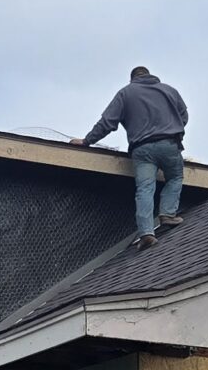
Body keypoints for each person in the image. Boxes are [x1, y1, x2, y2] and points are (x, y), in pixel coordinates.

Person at [74, 65, 188, 249]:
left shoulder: (126, 93)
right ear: (150, 75)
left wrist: (87, 141)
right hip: (169, 144)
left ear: (132, 79)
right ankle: (167, 213)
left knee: (145, 188)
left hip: (142, 149)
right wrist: (172, 127)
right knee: (175, 177)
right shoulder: (169, 90)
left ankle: (146, 233)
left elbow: (107, 122)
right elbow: (184, 116)